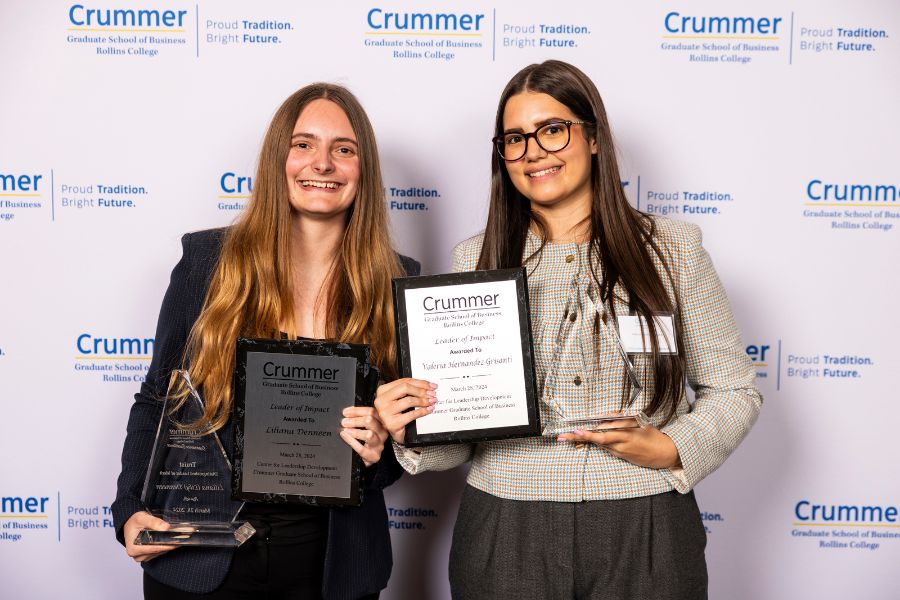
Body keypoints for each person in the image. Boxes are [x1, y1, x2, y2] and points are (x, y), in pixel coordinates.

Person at [375, 60, 762, 599]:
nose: (534, 150)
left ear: (595, 137)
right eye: (515, 138)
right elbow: (459, 438)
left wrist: (675, 447)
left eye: (552, 129)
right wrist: (410, 426)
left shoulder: (672, 251)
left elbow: (734, 390)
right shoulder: (476, 260)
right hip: (505, 526)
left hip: (647, 523)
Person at [111, 83, 419, 599]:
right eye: (303, 145)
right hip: (201, 555)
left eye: (343, 149)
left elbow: (390, 459)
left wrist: (379, 450)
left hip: (332, 565)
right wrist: (128, 511)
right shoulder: (207, 263)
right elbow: (157, 400)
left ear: (363, 170)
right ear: (278, 160)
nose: (322, 163)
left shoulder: (397, 282)